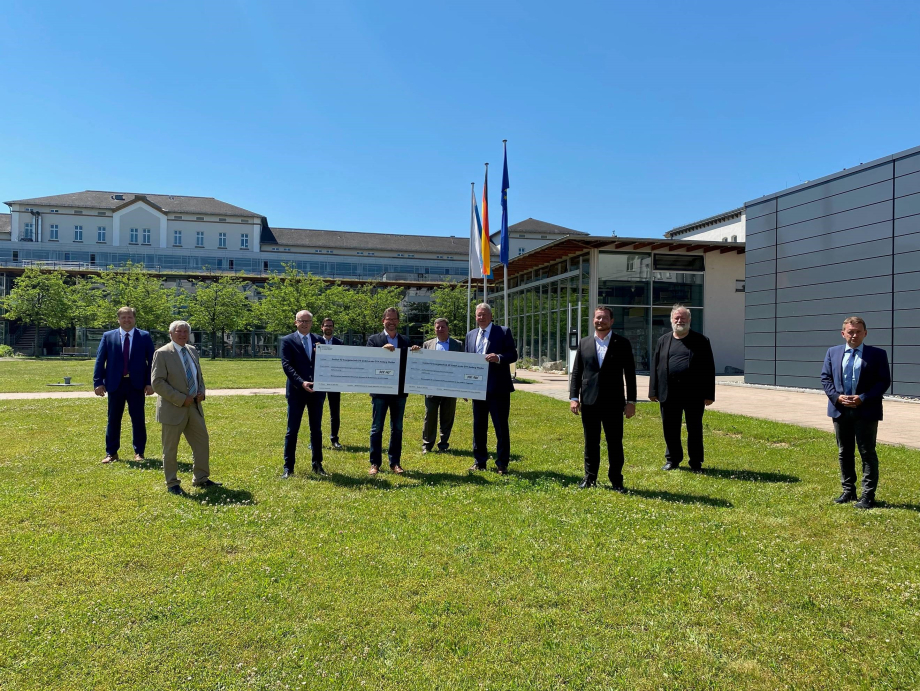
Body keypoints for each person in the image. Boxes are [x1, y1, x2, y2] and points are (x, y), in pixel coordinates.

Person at [820, 316, 891, 509]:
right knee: (845, 452)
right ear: (843, 333)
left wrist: (864, 398)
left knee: (867, 452)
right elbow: (826, 378)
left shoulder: (877, 354)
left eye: (858, 331)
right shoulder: (832, 353)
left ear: (865, 333)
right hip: (840, 410)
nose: (854, 335)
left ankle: (868, 496)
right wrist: (837, 397)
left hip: (866, 410)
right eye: (850, 331)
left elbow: (884, 381)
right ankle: (848, 491)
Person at [569, 306, 637, 491]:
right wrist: (574, 397)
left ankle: (616, 480)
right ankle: (590, 478)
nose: (601, 321)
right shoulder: (584, 343)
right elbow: (577, 373)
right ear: (593, 320)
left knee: (614, 443)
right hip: (589, 402)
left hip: (614, 403)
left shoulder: (622, 343)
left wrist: (631, 402)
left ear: (611, 321)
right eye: (598, 318)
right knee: (591, 442)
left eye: (604, 318)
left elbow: (630, 374)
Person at [151, 320, 219, 495]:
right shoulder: (162, 353)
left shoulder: (192, 351)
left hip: (194, 408)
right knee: (171, 448)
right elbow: (157, 382)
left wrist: (202, 391)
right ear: (171, 333)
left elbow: (198, 376)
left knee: (202, 442)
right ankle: (172, 483)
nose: (182, 334)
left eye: (185, 332)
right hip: (173, 409)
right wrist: (181, 399)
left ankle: (201, 478)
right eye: (179, 331)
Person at [648, 304, 715, 471]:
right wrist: (653, 391)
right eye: (676, 318)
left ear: (689, 320)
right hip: (668, 393)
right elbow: (655, 366)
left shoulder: (701, 341)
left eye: (683, 318)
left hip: (694, 394)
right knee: (670, 428)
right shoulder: (663, 341)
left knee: (695, 429)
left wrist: (709, 394)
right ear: (671, 320)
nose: (679, 321)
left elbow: (709, 369)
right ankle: (673, 459)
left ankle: (696, 462)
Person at [93, 306, 155, 464]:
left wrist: (150, 383)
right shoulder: (108, 336)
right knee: (113, 419)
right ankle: (111, 453)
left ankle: (139, 452)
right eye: (123, 317)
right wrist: (98, 382)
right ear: (118, 319)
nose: (127, 320)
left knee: (138, 419)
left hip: (137, 385)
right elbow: (100, 360)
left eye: (130, 317)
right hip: (115, 384)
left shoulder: (144, 336)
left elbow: (152, 362)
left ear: (134, 319)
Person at [465, 303, 517, 474]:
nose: (481, 317)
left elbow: (513, 355)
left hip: (498, 389)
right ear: (475, 317)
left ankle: (502, 463)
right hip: (477, 389)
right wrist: (466, 387)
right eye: (478, 315)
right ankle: (480, 461)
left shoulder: (503, 332)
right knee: (478, 427)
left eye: (484, 314)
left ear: (491, 315)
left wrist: (499, 357)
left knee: (500, 427)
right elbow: (467, 363)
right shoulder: (470, 335)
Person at [279, 310, 327, 478]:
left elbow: (326, 363)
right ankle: (288, 468)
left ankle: (317, 464)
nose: (305, 323)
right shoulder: (287, 341)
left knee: (316, 430)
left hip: (316, 392)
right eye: (302, 321)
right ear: (296, 322)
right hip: (297, 392)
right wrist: (301, 382)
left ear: (312, 323)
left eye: (308, 321)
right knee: (292, 430)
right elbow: (287, 365)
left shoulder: (320, 341)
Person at [366, 307, 410, 475]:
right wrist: (381, 351)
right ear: (383, 321)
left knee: (397, 428)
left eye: (394, 319)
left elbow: (410, 364)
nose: (391, 322)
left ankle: (395, 463)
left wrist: (415, 352)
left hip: (399, 392)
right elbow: (368, 361)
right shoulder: (374, 340)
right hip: (380, 392)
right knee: (376, 428)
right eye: (388, 319)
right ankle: (375, 463)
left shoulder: (405, 340)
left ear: (398, 321)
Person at [416, 318, 463, 453]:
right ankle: (427, 445)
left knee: (447, 417)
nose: (440, 329)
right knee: (429, 416)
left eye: (442, 327)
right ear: (434, 329)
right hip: (431, 387)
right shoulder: (427, 344)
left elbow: (462, 366)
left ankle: (443, 444)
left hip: (450, 387)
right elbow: (422, 365)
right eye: (437, 327)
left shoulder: (457, 345)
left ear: (448, 328)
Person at [319, 317, 344, 450]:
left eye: (330, 326)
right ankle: (315, 440)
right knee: (317, 412)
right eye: (326, 325)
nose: (328, 328)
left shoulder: (339, 343)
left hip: (335, 382)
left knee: (335, 412)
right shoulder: (315, 342)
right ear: (322, 327)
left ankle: (334, 439)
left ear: (333, 328)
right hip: (319, 381)